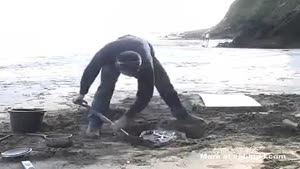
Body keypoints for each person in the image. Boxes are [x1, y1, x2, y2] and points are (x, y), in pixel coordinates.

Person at [73, 35, 205, 138]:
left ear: (140, 66)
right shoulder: (106, 53)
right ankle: (94, 124)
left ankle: (181, 115)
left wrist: (127, 117)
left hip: (144, 47)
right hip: (116, 52)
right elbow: (91, 70)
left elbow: (145, 94)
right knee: (105, 88)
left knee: (165, 85)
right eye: (130, 74)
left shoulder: (146, 64)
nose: (133, 76)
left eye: (136, 73)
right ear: (118, 67)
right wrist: (82, 93)